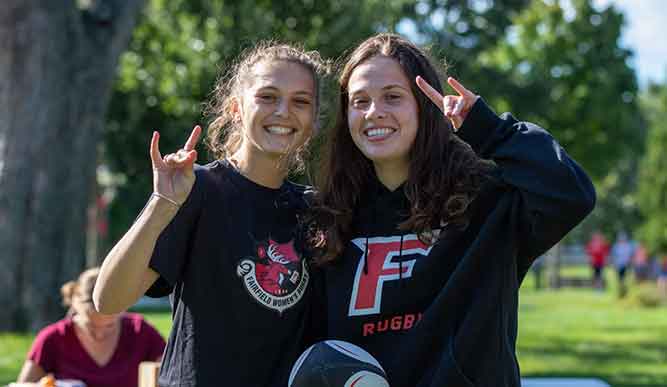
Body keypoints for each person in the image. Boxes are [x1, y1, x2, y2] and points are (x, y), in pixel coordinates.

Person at [309, 33, 595, 386]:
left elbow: (571, 193)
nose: (374, 112)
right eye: (359, 100)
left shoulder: (487, 200)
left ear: (424, 105)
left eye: (392, 97)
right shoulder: (332, 216)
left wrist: (492, 131)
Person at [93, 42, 329, 387]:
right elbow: (108, 300)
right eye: (267, 96)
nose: (283, 111)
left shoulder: (315, 210)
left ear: (313, 121)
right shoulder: (197, 188)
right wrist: (162, 202)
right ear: (236, 108)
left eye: (301, 101)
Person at [16, 268, 165, 387]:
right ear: (74, 301)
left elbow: (171, 373)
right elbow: (23, 385)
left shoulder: (140, 331)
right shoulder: (53, 338)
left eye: (110, 326)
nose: (100, 334)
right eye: (91, 326)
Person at [610, 231, 635, 297]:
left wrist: (631, 263)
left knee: (626, 279)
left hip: (626, 265)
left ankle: (625, 292)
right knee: (620, 279)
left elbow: (631, 256)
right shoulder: (616, 246)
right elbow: (613, 256)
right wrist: (613, 264)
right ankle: (620, 291)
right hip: (619, 265)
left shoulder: (629, 246)